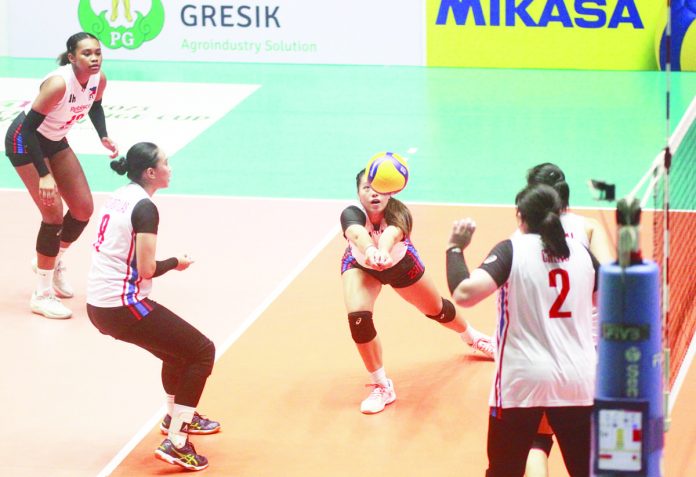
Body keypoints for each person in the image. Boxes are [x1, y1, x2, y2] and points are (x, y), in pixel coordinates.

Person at [446, 184, 599, 477]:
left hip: (522, 381)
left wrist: (455, 249)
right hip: (577, 379)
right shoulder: (582, 253)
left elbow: (464, 293)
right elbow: (610, 303)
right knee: (586, 470)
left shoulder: (512, 250)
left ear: (520, 217)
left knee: (504, 470)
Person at [86, 142, 218, 472]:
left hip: (100, 302)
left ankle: (176, 415)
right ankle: (176, 440)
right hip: (121, 305)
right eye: (166, 163)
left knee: (177, 353)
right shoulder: (145, 208)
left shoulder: (120, 194)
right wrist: (177, 262)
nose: (170, 168)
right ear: (150, 173)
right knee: (202, 351)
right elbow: (146, 269)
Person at [340, 168, 494, 415]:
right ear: (358, 194)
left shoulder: (399, 212)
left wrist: (383, 250)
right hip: (361, 266)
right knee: (358, 318)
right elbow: (356, 234)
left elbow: (392, 233)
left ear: (390, 191)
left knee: (438, 310)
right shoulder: (351, 214)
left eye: (378, 188)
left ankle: (472, 337)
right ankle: (381, 385)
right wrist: (370, 250)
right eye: (366, 188)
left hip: (400, 264)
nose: (373, 194)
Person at [4, 32, 119, 319]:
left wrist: (103, 135)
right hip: (24, 141)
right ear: (71, 57)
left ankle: (53, 261)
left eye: (98, 52)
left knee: (82, 208)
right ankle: (41, 295)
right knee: (53, 214)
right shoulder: (58, 83)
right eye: (87, 54)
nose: (94, 58)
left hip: (55, 140)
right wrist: (44, 174)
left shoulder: (98, 79)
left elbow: (94, 105)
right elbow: (28, 130)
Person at [523, 163, 614, 477]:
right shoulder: (588, 228)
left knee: (537, 439)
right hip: (587, 352)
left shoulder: (520, 239)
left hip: (540, 353)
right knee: (591, 445)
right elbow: (613, 283)